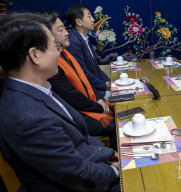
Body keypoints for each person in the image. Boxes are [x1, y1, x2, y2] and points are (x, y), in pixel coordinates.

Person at [0, 13, 120, 192]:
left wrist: (108, 154)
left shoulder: (38, 88)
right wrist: (114, 170)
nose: (59, 52)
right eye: (54, 46)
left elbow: (79, 135)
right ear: (35, 55)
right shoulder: (27, 117)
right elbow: (76, 174)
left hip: (88, 167)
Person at [40, 10, 117, 150]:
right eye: (61, 29)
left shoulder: (66, 53)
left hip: (88, 102)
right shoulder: (53, 64)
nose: (66, 32)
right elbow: (73, 97)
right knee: (116, 125)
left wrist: (99, 97)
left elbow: (84, 80)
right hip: (78, 114)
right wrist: (99, 106)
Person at [66, 4, 110, 99]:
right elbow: (82, 73)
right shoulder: (73, 42)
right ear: (79, 22)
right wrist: (103, 86)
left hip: (98, 89)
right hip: (90, 94)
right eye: (89, 16)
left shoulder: (84, 37)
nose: (93, 19)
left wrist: (107, 82)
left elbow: (95, 67)